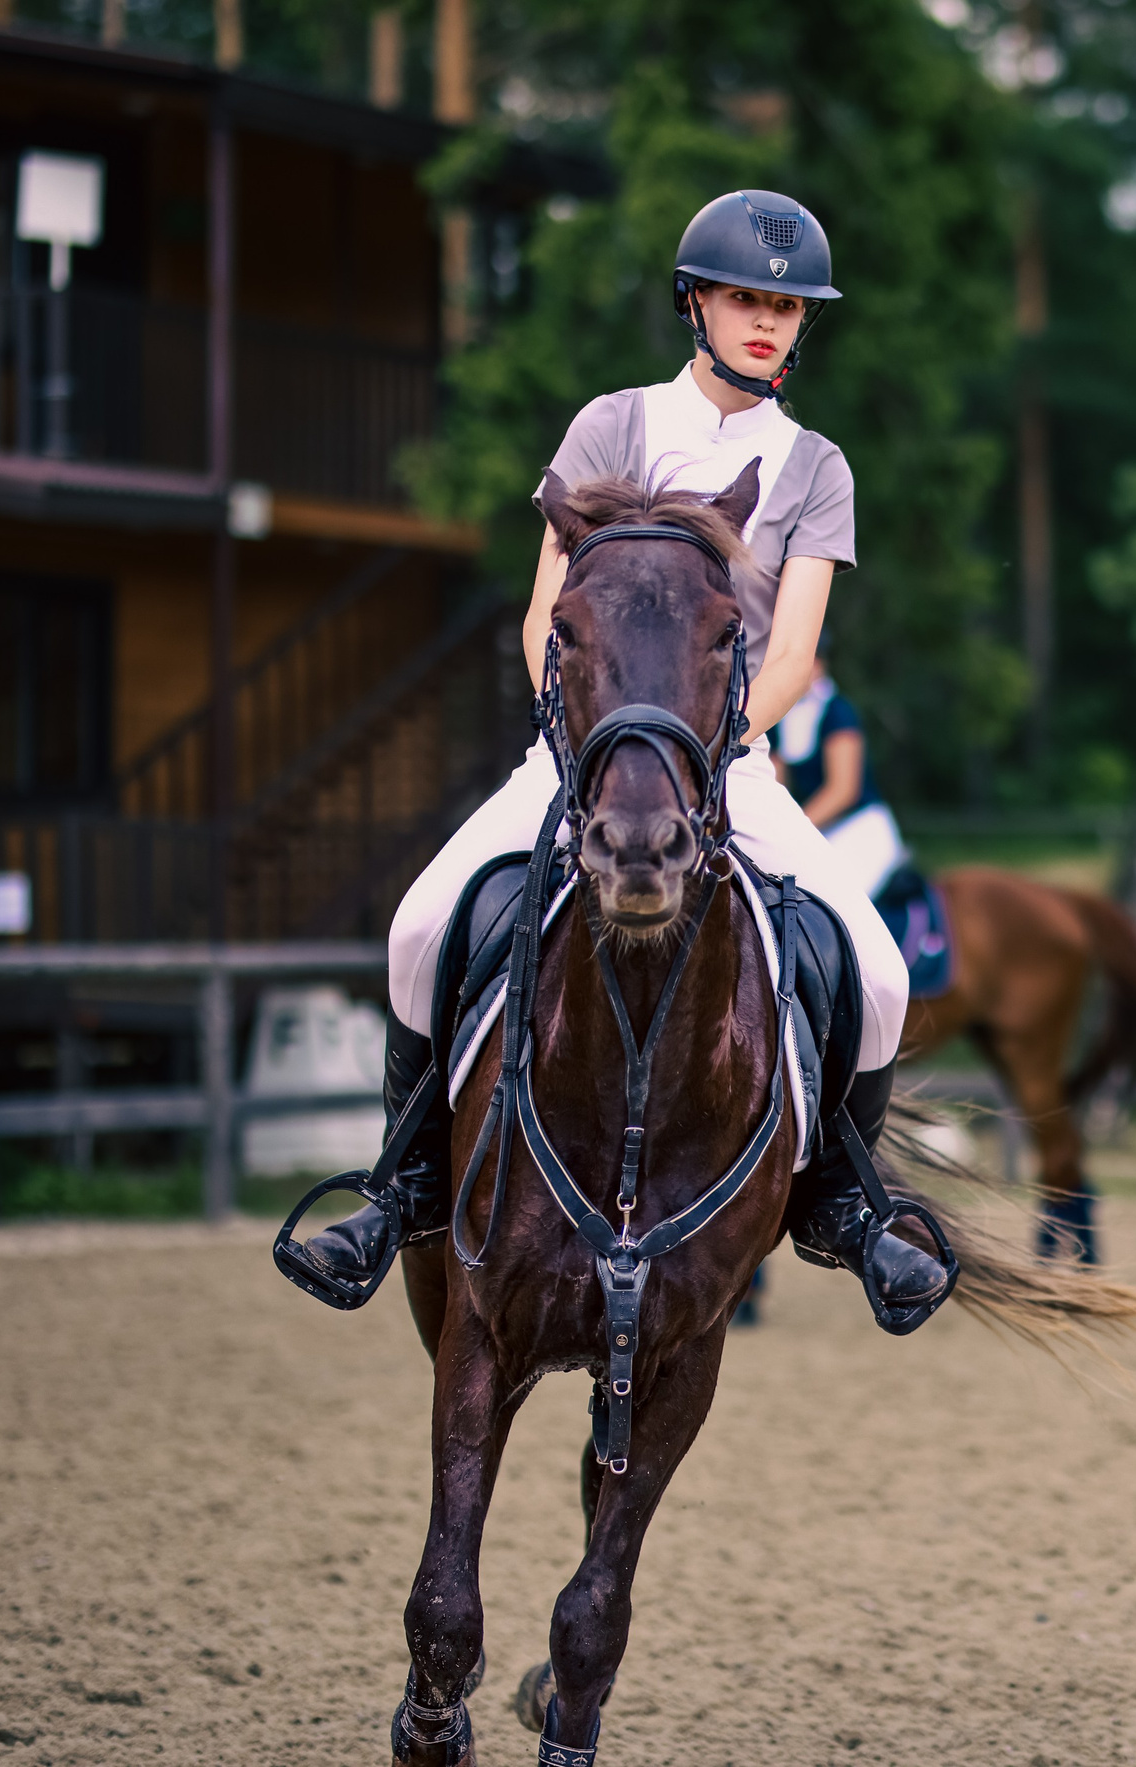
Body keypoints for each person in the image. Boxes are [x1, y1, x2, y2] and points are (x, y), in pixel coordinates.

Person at [285, 190, 940, 1327]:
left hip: (726, 767)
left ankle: (845, 1206)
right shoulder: (610, 426)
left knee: (878, 976)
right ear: (695, 303)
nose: (767, 323)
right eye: (746, 298)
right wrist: (593, 747)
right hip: (577, 757)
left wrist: (699, 749)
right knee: (418, 927)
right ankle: (402, 1190)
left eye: (788, 307)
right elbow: (544, 613)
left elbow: (792, 656)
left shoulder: (813, 467)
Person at [774, 645, 907, 900]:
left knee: (838, 901)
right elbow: (776, 784)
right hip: (817, 833)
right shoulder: (782, 716)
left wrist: (791, 831)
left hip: (859, 831)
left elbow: (843, 790)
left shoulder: (838, 712)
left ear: (818, 664)